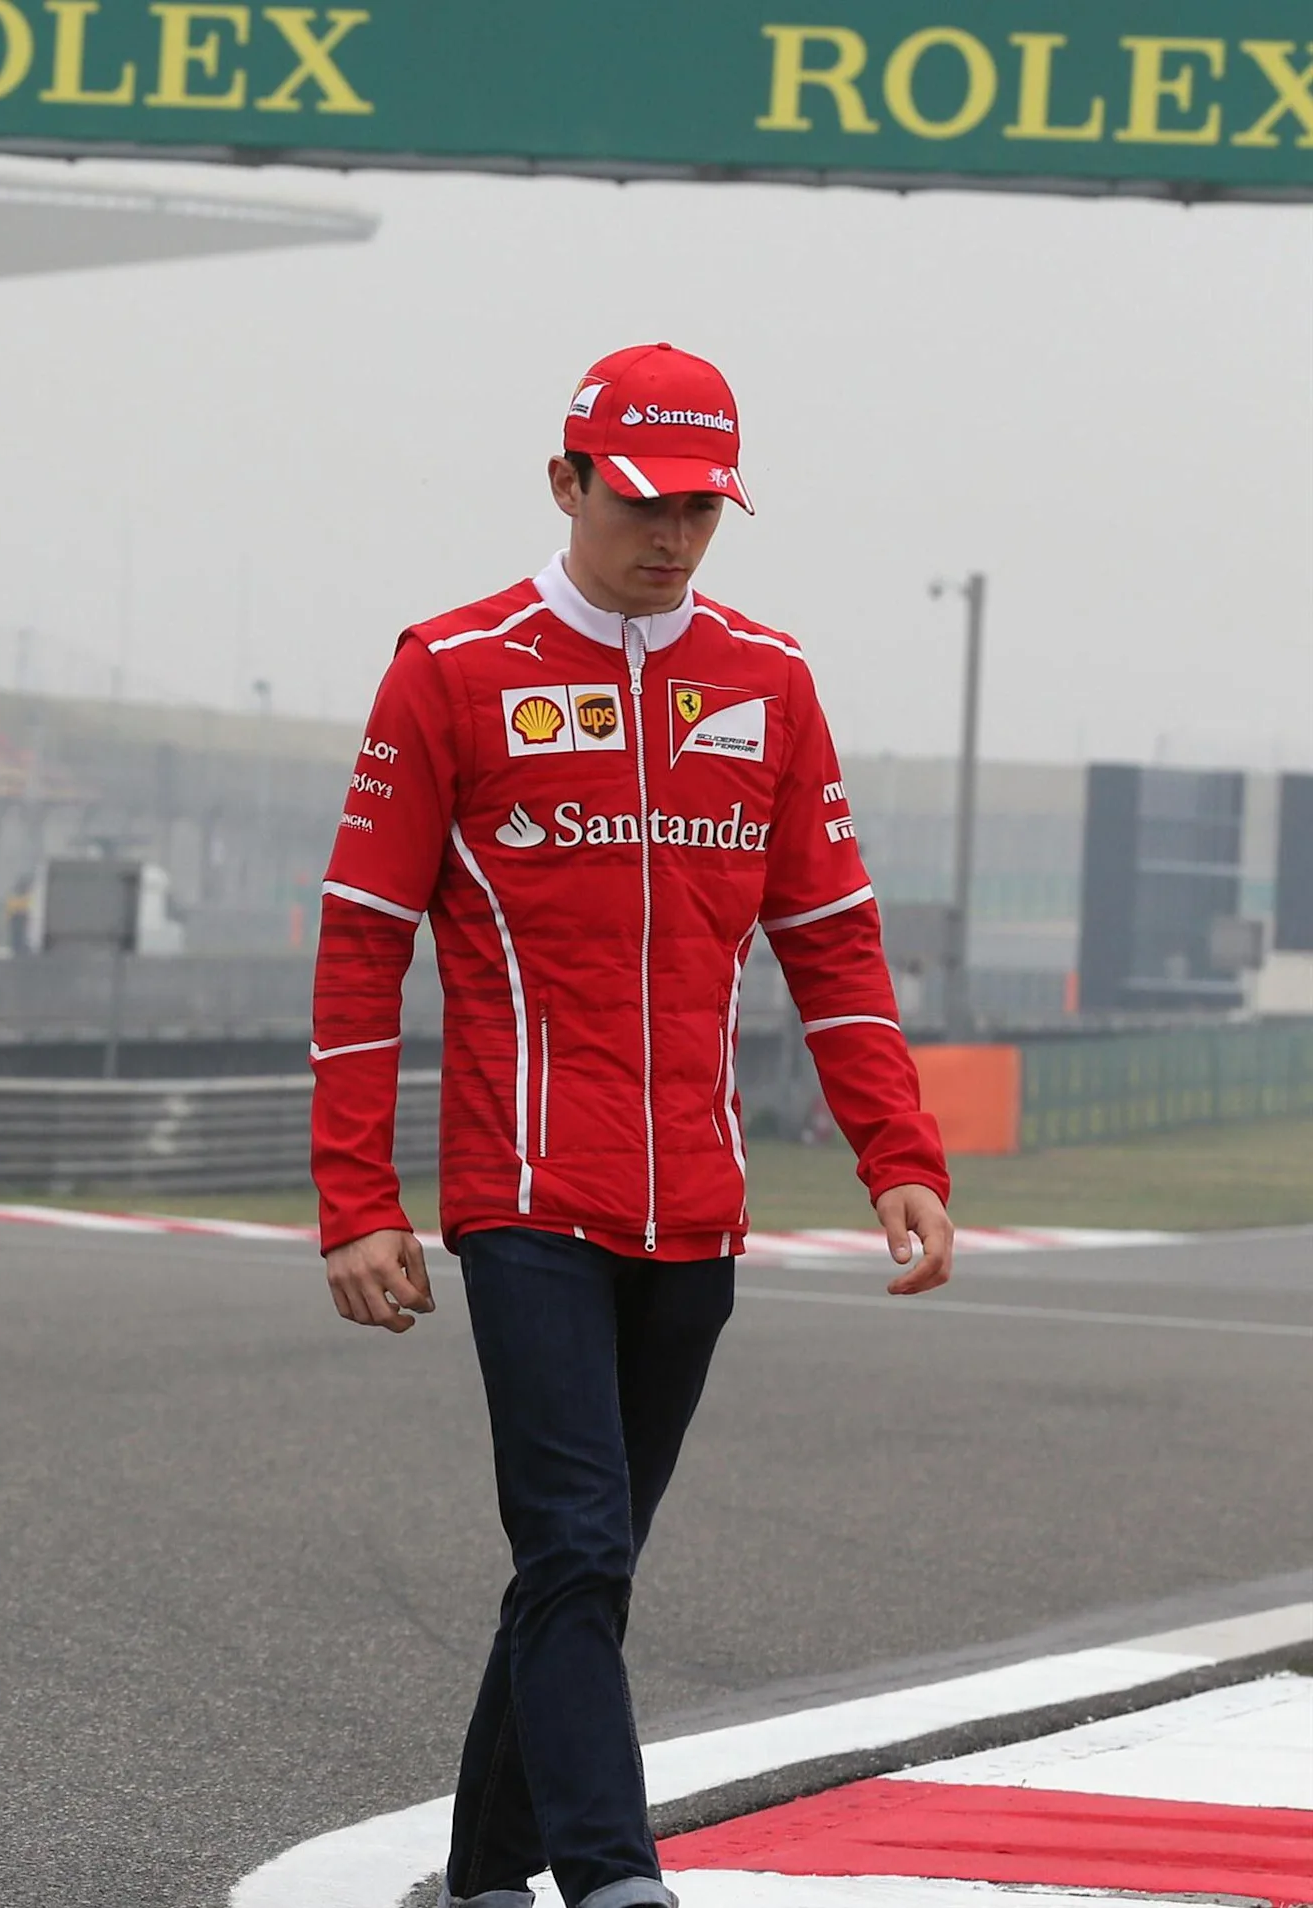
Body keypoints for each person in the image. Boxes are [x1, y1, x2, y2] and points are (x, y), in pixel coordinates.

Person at [306, 343, 957, 1908]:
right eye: (642, 503)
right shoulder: (450, 669)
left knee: (577, 1567)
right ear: (567, 483)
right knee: (579, 1550)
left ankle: (484, 1871)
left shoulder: (770, 680)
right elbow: (361, 940)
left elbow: (835, 944)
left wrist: (899, 1155)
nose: (672, 537)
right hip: (525, 1192)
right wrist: (355, 1196)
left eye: (702, 510)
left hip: (699, 1211)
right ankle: (614, 1878)